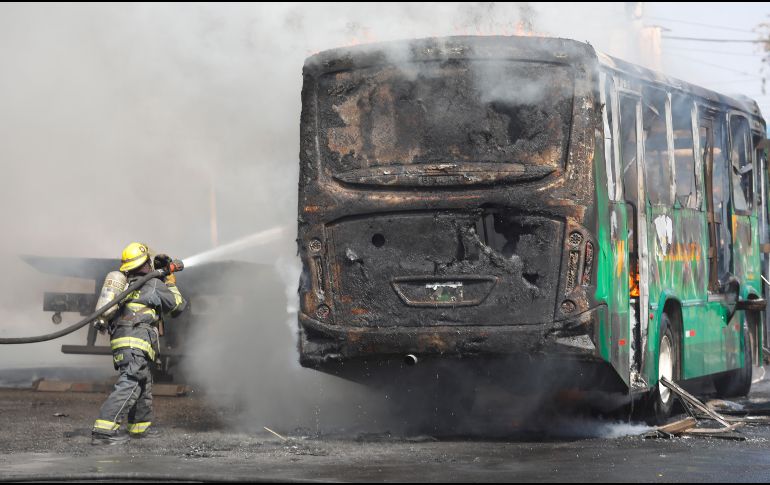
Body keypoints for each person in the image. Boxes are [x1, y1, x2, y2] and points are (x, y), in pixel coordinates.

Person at [91, 242, 186, 445]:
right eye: (149, 262)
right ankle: (103, 432)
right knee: (131, 384)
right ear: (144, 264)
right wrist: (169, 281)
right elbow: (178, 307)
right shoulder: (153, 285)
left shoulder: (126, 286)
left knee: (143, 384)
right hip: (137, 342)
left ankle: (139, 429)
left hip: (124, 342)